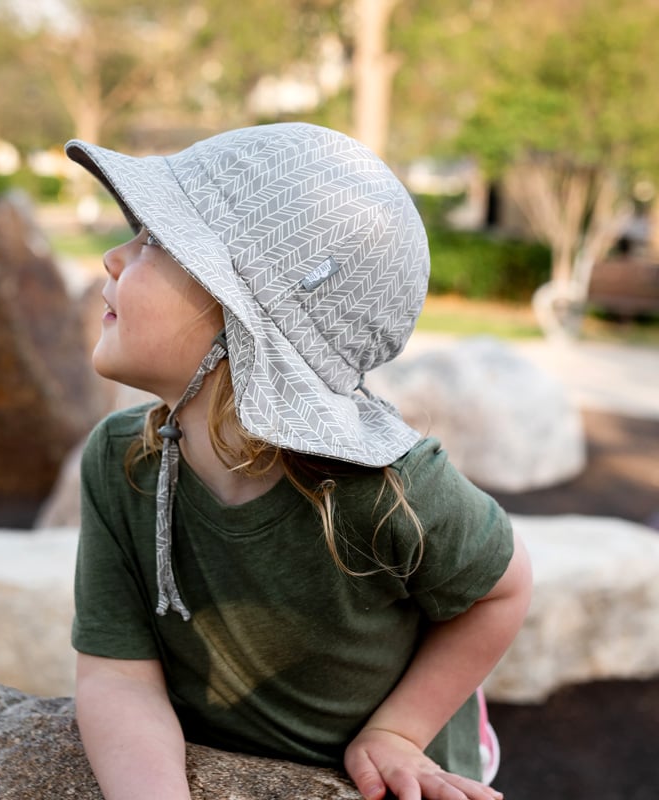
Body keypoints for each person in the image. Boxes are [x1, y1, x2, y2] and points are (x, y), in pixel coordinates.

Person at [65, 122, 532, 800]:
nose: (113, 256)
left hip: (392, 770)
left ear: (243, 318)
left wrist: (400, 732)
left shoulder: (381, 487)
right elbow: (116, 674)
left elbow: (502, 588)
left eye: (155, 241)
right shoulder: (120, 462)